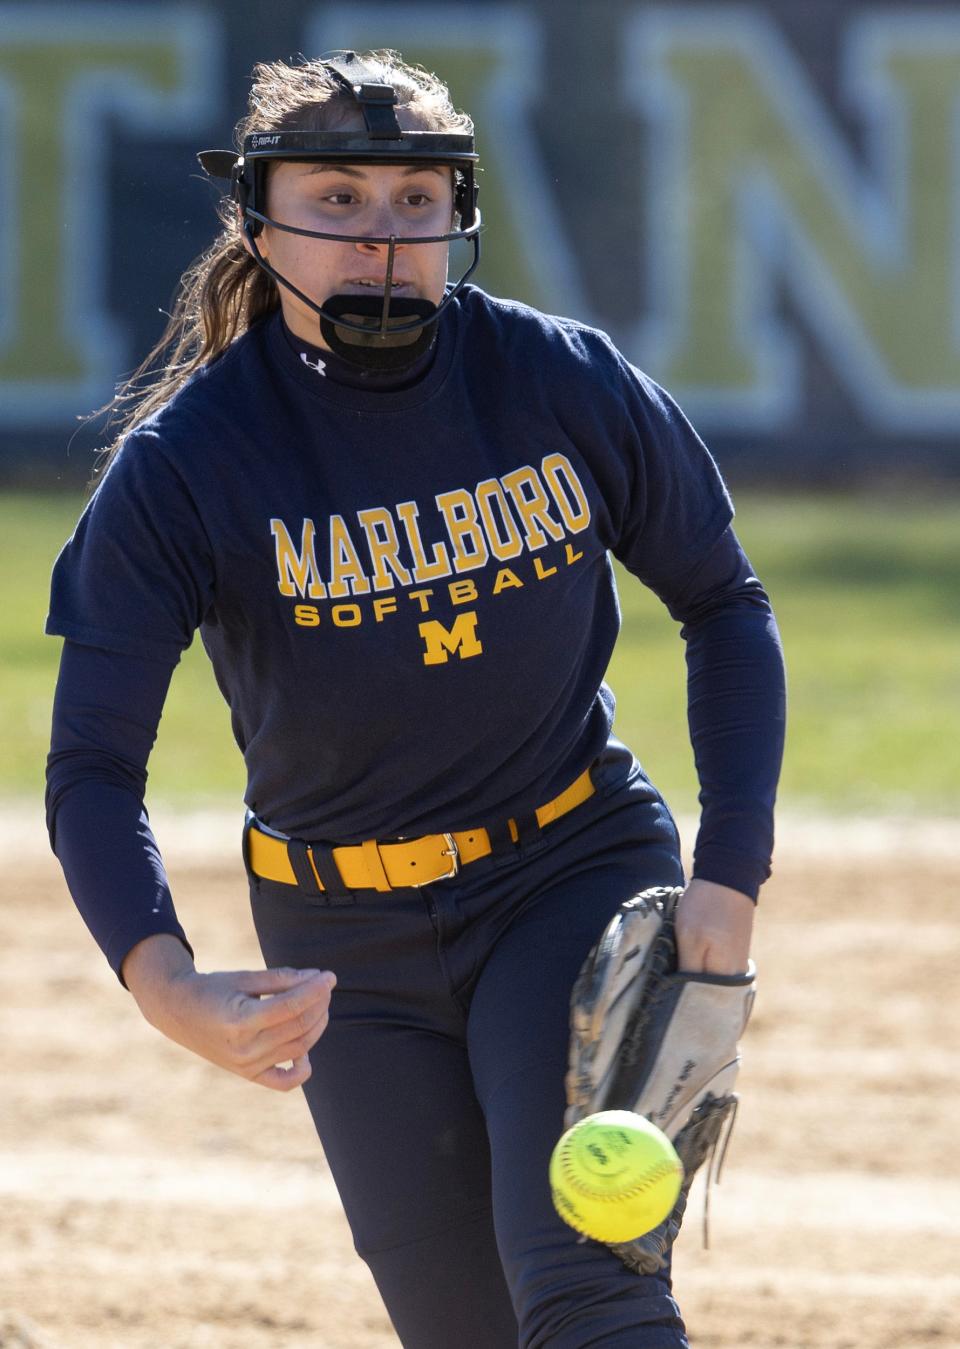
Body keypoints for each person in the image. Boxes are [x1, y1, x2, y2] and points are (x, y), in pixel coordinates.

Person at [46, 49, 786, 1349]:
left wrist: (727, 874)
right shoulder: (188, 466)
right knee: (468, 1332)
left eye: (414, 201)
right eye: (338, 199)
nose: (382, 238)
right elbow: (94, 764)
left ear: (459, 218)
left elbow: (724, 600)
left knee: (590, 1292)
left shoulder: (560, 380)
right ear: (260, 218)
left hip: (569, 869)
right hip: (343, 947)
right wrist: (165, 981)